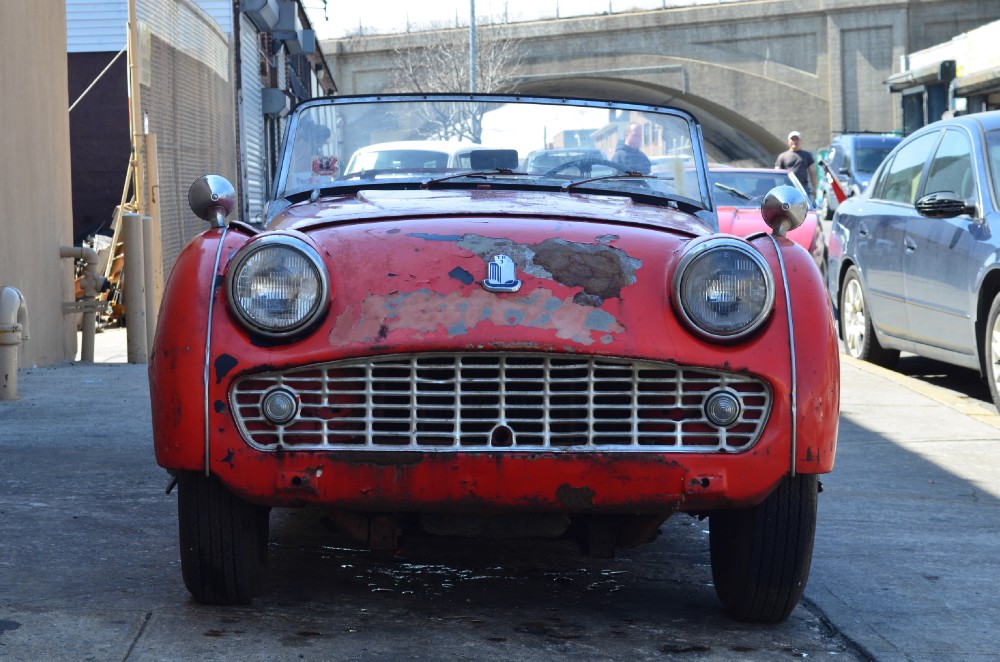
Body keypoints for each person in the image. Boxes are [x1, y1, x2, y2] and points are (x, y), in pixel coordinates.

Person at [775, 130, 818, 198]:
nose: (794, 141)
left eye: (796, 139)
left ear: (800, 141)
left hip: (803, 188)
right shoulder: (782, 156)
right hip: (787, 189)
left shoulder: (807, 155)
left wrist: (814, 188)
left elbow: (812, 173)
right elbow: (776, 174)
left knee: (804, 208)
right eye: (792, 139)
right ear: (788, 141)